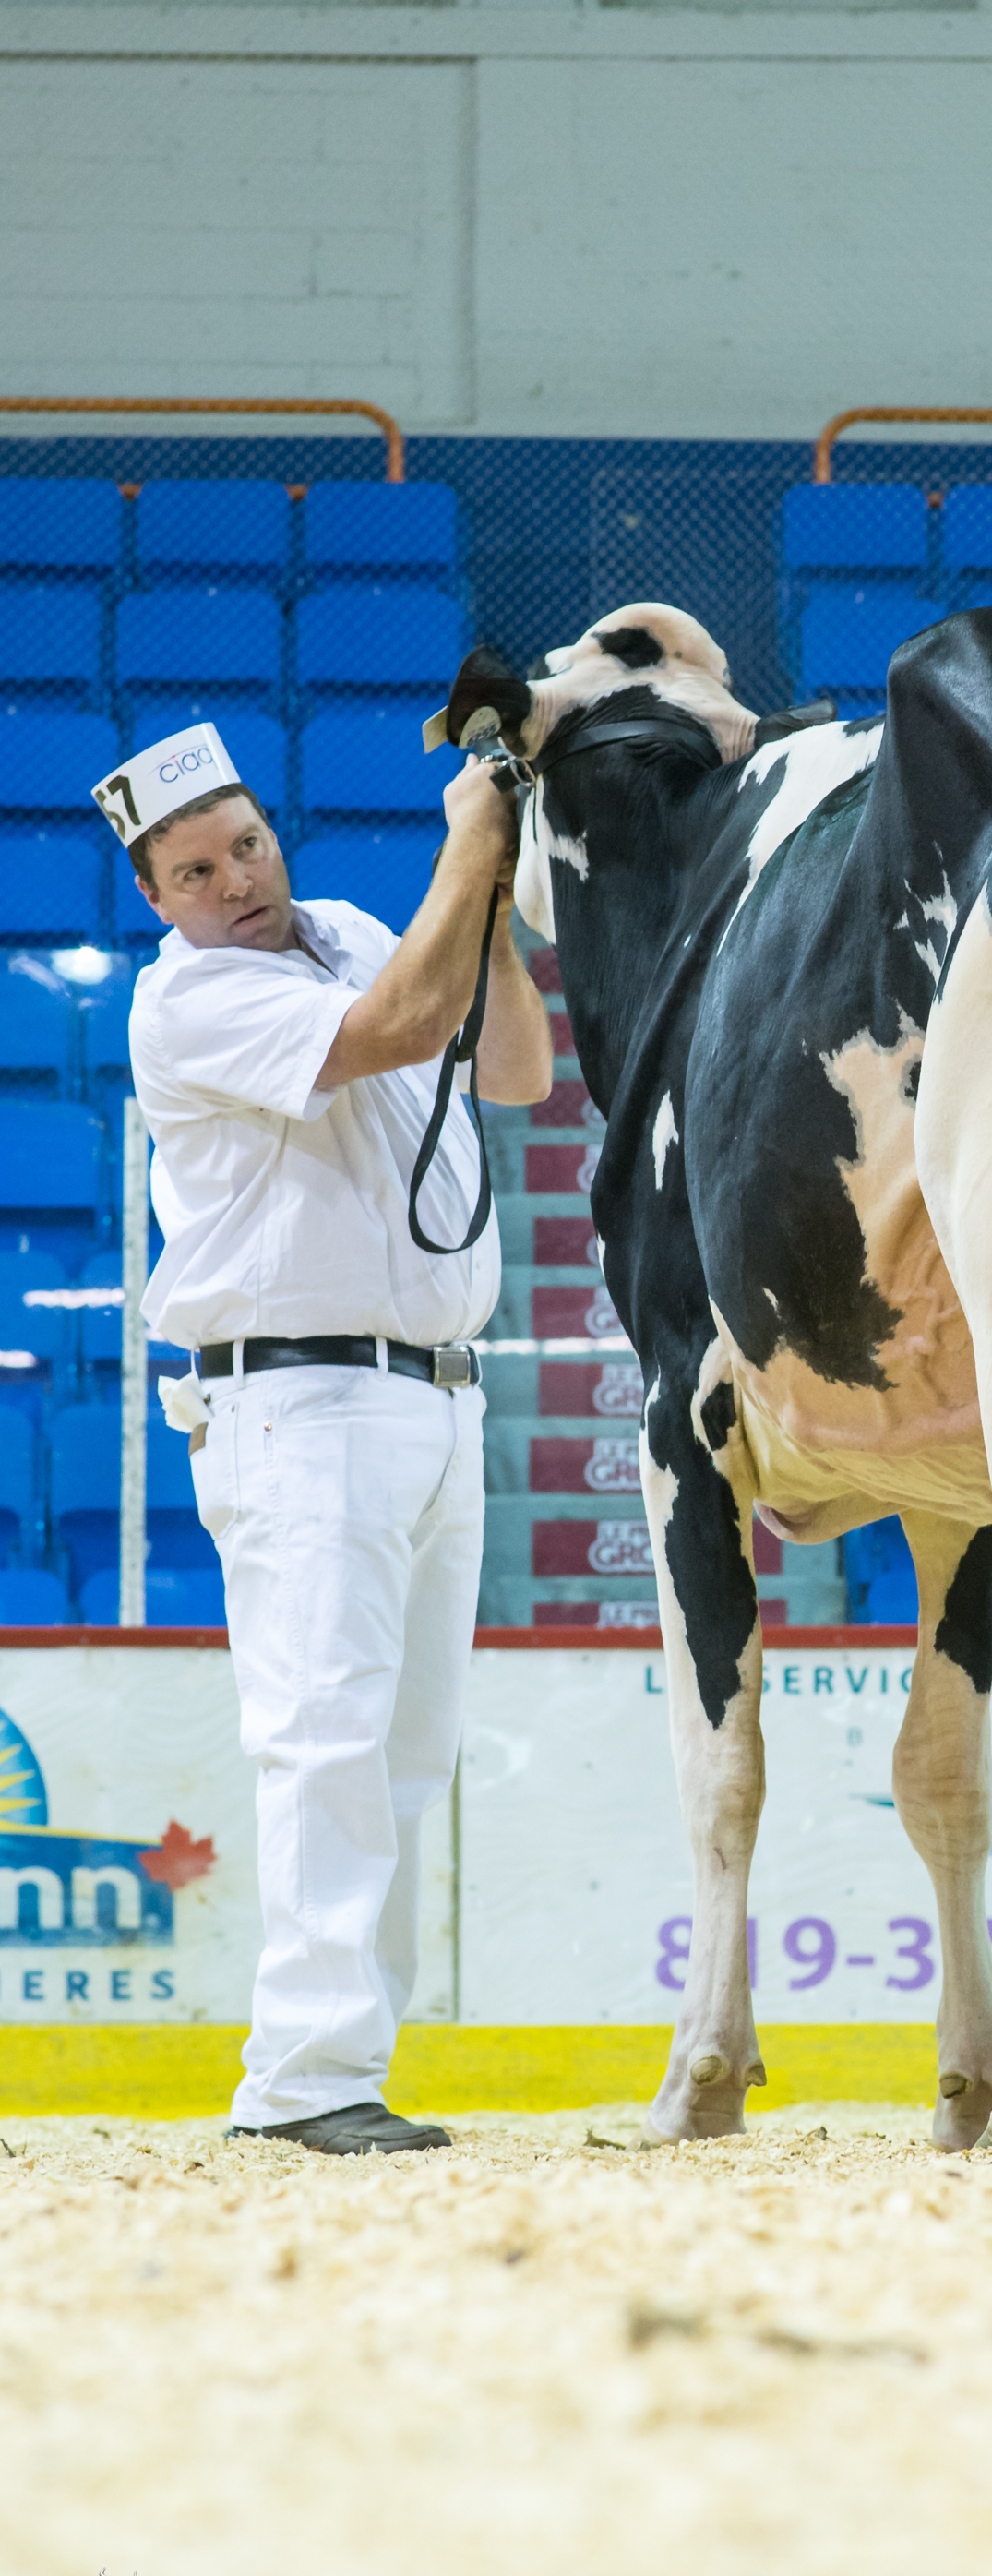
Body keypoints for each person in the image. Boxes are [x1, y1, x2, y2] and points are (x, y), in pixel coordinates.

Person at [94, 722, 550, 2153]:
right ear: (154, 897)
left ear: (271, 833)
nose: (235, 880)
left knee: (403, 1757)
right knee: (324, 1739)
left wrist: (491, 896)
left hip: (437, 1393)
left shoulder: (351, 930)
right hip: (299, 1402)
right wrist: (468, 842)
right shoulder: (187, 1000)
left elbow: (517, 1068)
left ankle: (349, 2064)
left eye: (245, 845)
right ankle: (298, 2079)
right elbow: (402, 1031)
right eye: (194, 871)